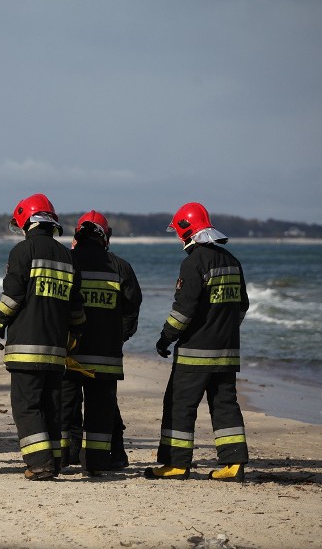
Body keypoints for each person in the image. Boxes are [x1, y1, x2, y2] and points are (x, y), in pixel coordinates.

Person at [145, 202, 250, 482]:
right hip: (227, 353)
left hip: (195, 355)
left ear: (185, 231)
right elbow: (242, 307)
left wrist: (165, 338)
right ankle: (234, 464)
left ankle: (176, 464)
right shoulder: (231, 261)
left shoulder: (193, 263)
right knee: (225, 405)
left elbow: (183, 311)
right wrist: (224, 331)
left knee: (179, 405)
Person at [0, 193, 85, 480]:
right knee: (51, 406)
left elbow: (13, 296)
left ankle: (40, 463)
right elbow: (75, 307)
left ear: (26, 222)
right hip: (56, 348)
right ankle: (55, 462)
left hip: (25, 347)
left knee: (27, 406)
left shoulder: (22, 251)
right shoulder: (67, 256)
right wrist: (76, 333)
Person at [61, 211, 142, 475]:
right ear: (105, 237)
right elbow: (132, 309)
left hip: (70, 354)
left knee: (64, 407)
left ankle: (63, 458)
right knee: (104, 410)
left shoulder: (66, 261)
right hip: (106, 356)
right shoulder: (120, 267)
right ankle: (103, 460)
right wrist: (118, 338)